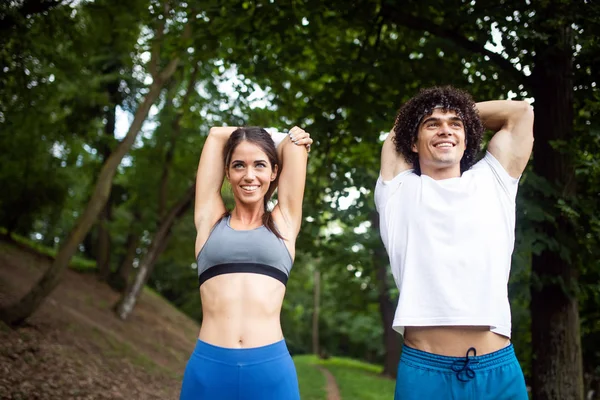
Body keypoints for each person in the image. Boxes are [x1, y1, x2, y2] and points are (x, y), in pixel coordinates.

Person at [375, 86, 534, 399]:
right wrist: (442, 113)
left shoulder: (494, 179)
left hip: (498, 373)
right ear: (413, 142)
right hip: (425, 375)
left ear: (468, 136)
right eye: (431, 124)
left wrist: (457, 111)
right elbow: (397, 129)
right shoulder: (398, 189)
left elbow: (521, 113)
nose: (445, 129)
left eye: (455, 124)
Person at [179, 126, 312, 400]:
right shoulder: (209, 220)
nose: (249, 175)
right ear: (227, 173)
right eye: (239, 165)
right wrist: (270, 136)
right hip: (209, 367)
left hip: (270, 369)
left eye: (260, 165)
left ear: (274, 172)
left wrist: (284, 138)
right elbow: (216, 135)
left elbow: (294, 145)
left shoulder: (284, 223)